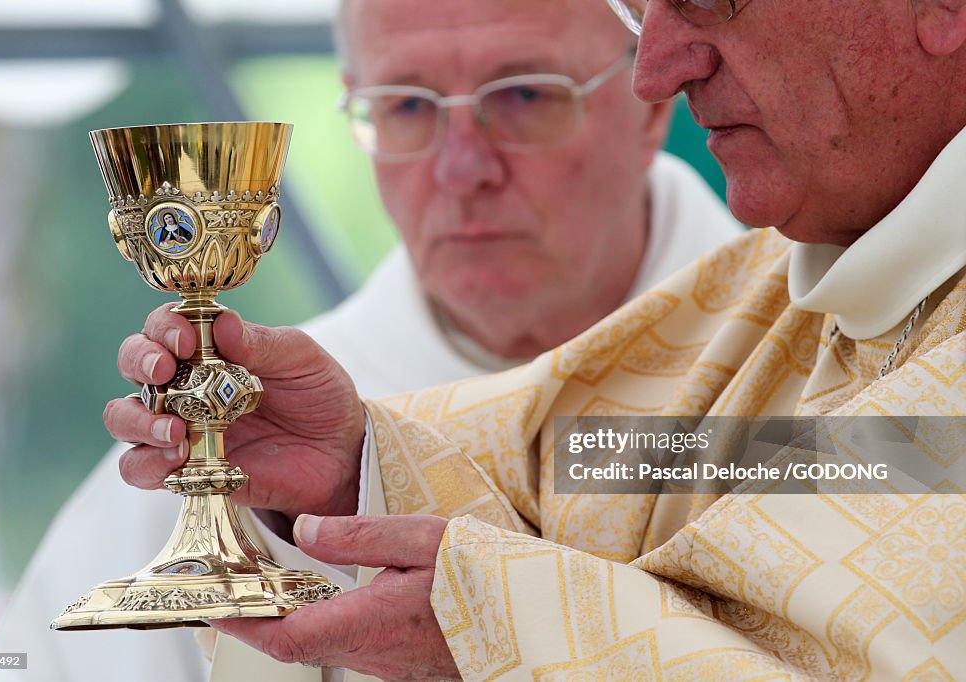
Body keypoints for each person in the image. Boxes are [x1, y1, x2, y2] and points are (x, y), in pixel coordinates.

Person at [107, 0, 966, 678]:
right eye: (405, 106)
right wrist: (357, 466)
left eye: (525, 96)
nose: (657, 72)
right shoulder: (771, 290)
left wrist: (500, 639)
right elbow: (573, 470)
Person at [0, 0, 740, 679]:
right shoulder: (236, 434)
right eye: (406, 106)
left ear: (650, 104)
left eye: (525, 95)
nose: (461, 168)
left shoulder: (810, 371)